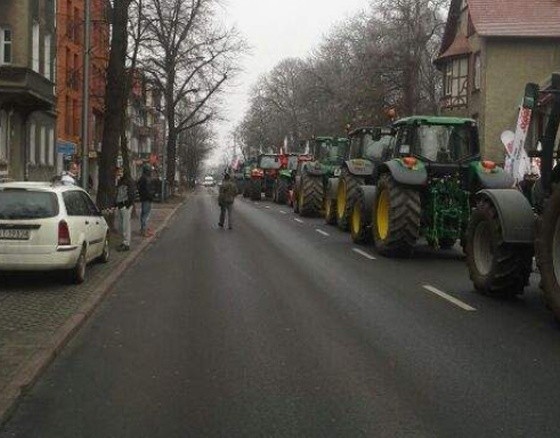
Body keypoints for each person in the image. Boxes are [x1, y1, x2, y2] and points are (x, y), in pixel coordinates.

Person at [115, 167, 136, 251]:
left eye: (120, 172)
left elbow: (131, 193)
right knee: (121, 225)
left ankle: (126, 243)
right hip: (121, 205)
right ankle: (123, 242)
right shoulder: (120, 181)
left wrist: (128, 204)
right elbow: (118, 194)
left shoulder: (129, 181)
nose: (119, 174)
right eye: (118, 172)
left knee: (126, 225)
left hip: (125, 205)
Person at [137, 164, 155, 237]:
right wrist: (151, 195)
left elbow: (140, 188)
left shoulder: (142, 178)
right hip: (147, 198)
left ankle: (143, 229)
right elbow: (147, 190)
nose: (150, 172)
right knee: (145, 215)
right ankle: (143, 230)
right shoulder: (146, 179)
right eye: (150, 170)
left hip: (144, 198)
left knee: (144, 214)